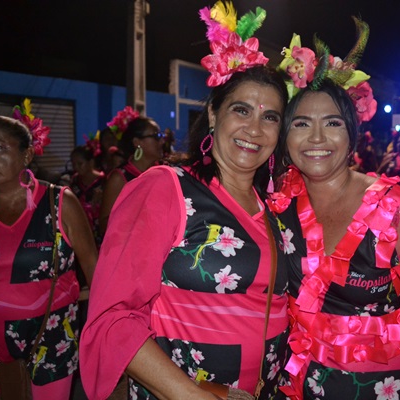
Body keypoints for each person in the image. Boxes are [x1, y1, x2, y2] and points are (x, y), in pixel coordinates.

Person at [80, 3, 290, 399]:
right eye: (241, 110)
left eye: (270, 117)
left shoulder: (274, 207)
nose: (254, 129)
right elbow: (113, 318)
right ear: (212, 114)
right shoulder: (166, 189)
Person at [271, 24, 400, 399]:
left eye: (332, 123)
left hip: (381, 389)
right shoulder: (278, 201)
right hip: (296, 385)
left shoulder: (395, 209)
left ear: (352, 134)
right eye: (301, 124)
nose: (316, 138)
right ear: (285, 135)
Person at [0, 114, 97, 399]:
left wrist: (103, 325)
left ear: (26, 155)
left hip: (51, 338)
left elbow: (92, 265)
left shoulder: (58, 203)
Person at [98, 115, 165, 237]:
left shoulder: (163, 171)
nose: (162, 141)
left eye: (161, 136)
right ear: (137, 142)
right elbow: (104, 224)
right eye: (156, 136)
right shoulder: (120, 178)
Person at [69, 145, 106, 247]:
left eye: (80, 164)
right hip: (80, 227)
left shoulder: (104, 181)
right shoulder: (74, 180)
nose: (76, 167)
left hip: (99, 228)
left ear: (91, 162)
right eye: (73, 164)